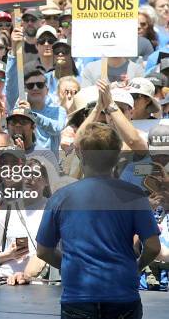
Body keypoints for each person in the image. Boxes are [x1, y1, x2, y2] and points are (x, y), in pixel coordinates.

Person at [36, 122, 161, 319]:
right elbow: (153, 247)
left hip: (78, 297)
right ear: (118, 155)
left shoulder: (60, 197)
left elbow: (43, 251)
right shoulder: (134, 195)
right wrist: (136, 267)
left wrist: (70, 265)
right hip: (123, 295)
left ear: (80, 153)